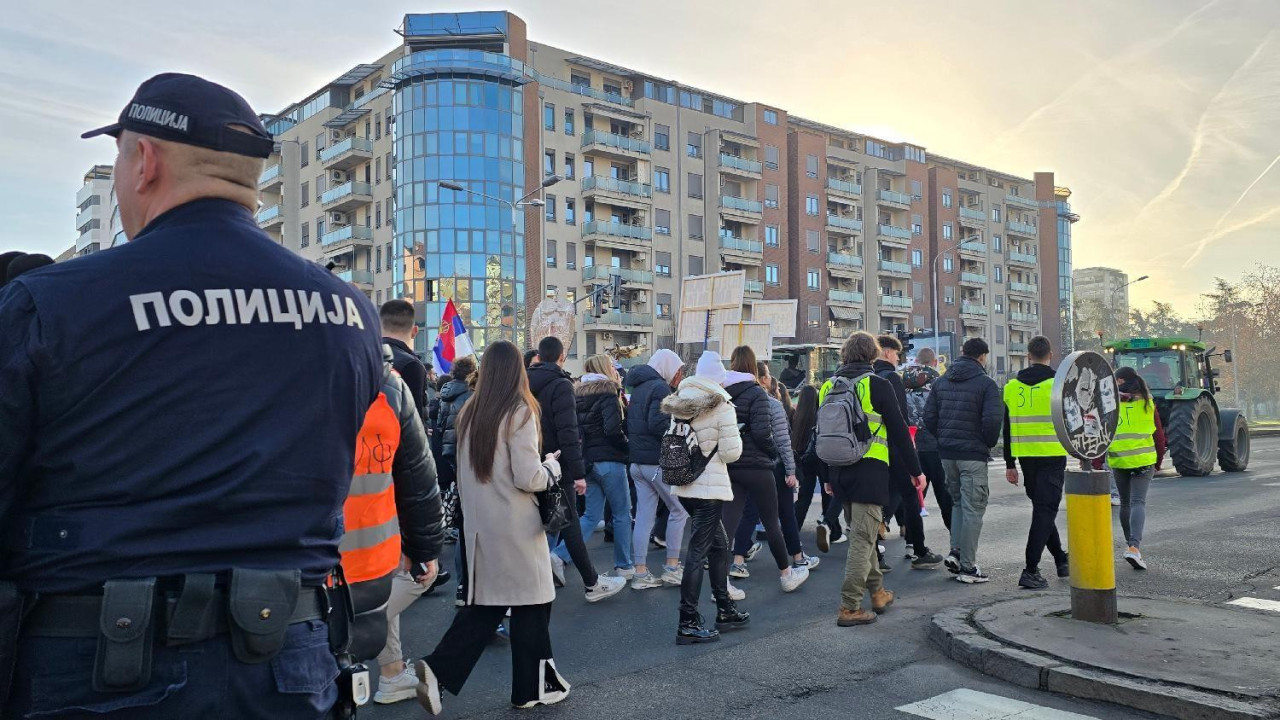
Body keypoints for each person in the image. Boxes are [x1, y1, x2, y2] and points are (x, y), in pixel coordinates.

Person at [0, 73, 382, 718]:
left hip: (98, 666)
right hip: (290, 659)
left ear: (143, 160)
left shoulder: (51, 302)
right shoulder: (348, 312)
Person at [413, 341, 570, 714]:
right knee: (522, 603)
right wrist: (552, 467)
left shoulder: (469, 411)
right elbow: (528, 476)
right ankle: (443, 669)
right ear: (517, 370)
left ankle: (535, 685)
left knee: (503, 604)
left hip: (482, 526)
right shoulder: (519, 411)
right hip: (516, 524)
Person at [342, 345, 446, 705]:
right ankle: (353, 633)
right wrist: (424, 549)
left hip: (310, 552)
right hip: (371, 546)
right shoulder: (389, 385)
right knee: (400, 587)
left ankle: (392, 673)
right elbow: (417, 476)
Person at [826, 333, 926, 627]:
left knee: (864, 535)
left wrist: (828, 477)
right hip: (869, 472)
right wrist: (915, 471)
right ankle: (849, 607)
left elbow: (822, 436)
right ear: (873, 355)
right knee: (862, 539)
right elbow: (899, 432)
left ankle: (878, 593)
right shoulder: (876, 385)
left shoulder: (829, 386)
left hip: (839, 471)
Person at [528, 337, 625, 601]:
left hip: (531, 460)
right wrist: (577, 472)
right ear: (561, 356)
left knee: (546, 524)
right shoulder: (561, 385)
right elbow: (568, 432)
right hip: (557, 466)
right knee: (566, 524)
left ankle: (562, 577)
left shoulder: (524, 382)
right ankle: (592, 584)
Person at [661, 352, 748, 644]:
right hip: (709, 489)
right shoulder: (722, 405)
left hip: (684, 484)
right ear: (719, 379)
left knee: (719, 545)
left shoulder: (680, 401)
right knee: (698, 553)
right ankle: (687, 622)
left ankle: (725, 608)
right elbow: (730, 453)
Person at [721, 346, 810, 593]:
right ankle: (786, 574)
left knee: (728, 523)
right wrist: (773, 455)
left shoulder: (722, 394)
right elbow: (769, 435)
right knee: (772, 522)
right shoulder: (760, 396)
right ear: (753, 367)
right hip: (759, 467)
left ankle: (722, 583)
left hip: (731, 465)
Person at [923, 337, 1004, 584]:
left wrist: (944, 438)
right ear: (982, 357)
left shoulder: (941, 381)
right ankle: (968, 567)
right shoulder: (986, 384)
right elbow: (992, 421)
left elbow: (929, 417)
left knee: (958, 503)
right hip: (972, 455)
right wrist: (985, 443)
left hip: (947, 454)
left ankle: (956, 552)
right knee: (973, 509)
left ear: (962, 353)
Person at [1003, 336, 1072, 590]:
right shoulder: (1059, 385)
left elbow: (1007, 426)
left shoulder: (1011, 387)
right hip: (1052, 456)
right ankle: (1030, 569)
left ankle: (1061, 559)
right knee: (1045, 511)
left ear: (1028, 356)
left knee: (1043, 510)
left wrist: (1009, 463)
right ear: (1050, 355)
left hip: (1026, 459)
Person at [875, 335, 943, 570]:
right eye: (896, 354)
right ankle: (919, 551)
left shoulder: (867, 377)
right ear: (886, 352)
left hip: (873, 451)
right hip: (896, 449)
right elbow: (900, 420)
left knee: (878, 500)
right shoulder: (891, 378)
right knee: (911, 495)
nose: (897, 358)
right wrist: (912, 461)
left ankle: (876, 554)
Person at [627, 349, 690, 590]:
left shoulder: (639, 387)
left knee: (644, 517)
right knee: (679, 510)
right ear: (666, 367)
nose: (678, 375)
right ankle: (672, 568)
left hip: (638, 463)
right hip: (657, 461)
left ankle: (640, 572)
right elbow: (658, 423)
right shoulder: (660, 389)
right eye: (677, 370)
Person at [568, 355, 634, 577]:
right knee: (622, 514)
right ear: (607, 369)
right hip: (609, 459)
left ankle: (559, 555)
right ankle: (623, 565)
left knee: (590, 515)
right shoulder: (609, 392)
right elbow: (613, 430)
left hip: (587, 461)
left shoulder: (576, 394)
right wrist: (627, 448)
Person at [1108, 367, 1166, 571]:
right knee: (1138, 502)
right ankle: (1134, 547)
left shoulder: (1111, 404)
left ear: (1121, 380)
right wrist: (1158, 461)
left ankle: (1130, 545)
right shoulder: (1148, 403)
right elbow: (1159, 437)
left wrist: (1097, 462)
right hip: (1144, 460)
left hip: (1119, 460)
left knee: (1125, 504)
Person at [436, 354, 478, 602]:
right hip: (469, 459)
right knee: (470, 524)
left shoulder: (445, 395)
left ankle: (463, 583)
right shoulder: (472, 397)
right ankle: (469, 583)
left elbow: (441, 427)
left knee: (462, 523)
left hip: (449, 457)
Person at [903, 348, 953, 530]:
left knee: (915, 495)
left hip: (912, 446)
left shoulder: (903, 382)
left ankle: (911, 540)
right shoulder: (941, 383)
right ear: (935, 363)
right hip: (936, 446)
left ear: (916, 360)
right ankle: (955, 542)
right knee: (945, 496)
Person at [380, 300, 429, 420]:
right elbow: (415, 420)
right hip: (396, 437)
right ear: (415, 331)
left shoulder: (362, 358)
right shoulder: (411, 365)